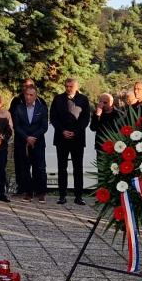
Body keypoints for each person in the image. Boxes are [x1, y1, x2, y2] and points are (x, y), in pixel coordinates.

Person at [50, 77, 92, 205]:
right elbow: (53, 117)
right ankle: (62, 195)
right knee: (62, 167)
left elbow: (85, 119)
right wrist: (62, 130)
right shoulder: (58, 99)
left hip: (77, 138)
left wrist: (76, 131)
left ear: (76, 87)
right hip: (61, 138)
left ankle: (78, 196)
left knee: (77, 168)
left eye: (71, 87)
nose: (68, 89)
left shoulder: (83, 100)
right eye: (66, 86)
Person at [10, 85, 49, 202]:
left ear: (35, 96)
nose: (28, 97)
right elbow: (16, 126)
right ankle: (28, 192)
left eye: (31, 95)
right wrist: (27, 137)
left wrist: (34, 137)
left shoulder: (42, 109)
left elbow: (44, 127)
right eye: (26, 94)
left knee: (40, 168)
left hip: (38, 142)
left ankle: (41, 192)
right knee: (25, 168)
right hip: (23, 142)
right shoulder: (18, 108)